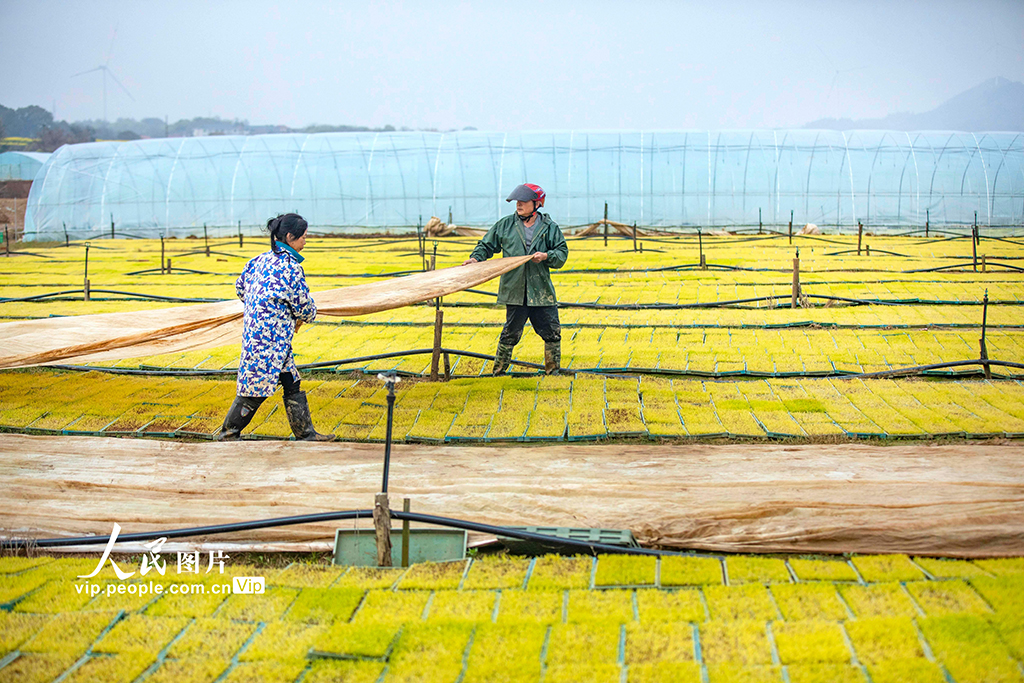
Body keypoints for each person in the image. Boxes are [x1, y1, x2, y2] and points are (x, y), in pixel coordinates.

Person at [217, 213, 332, 441]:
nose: (305, 242)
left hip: (258, 335)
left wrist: (261, 307)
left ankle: (306, 434)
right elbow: (304, 307)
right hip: (271, 340)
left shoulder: (257, 261)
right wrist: (306, 314)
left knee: (291, 380)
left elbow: (241, 289)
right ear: (290, 237)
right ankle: (227, 434)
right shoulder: (291, 268)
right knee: (255, 390)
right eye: (303, 237)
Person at [462, 183, 568, 374]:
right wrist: (475, 258)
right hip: (515, 290)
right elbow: (486, 245)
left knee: (552, 332)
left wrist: (546, 256)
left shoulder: (549, 228)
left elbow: (561, 254)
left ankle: (553, 372)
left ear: (537, 204)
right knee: (510, 334)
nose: (518, 205)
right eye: (517, 201)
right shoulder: (506, 225)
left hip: (541, 291)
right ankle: (499, 372)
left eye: (523, 201)